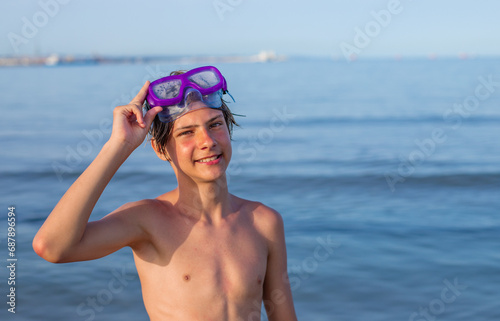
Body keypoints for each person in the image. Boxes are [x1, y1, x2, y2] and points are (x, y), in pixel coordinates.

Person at [33, 66, 298, 321]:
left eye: (215, 125)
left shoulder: (264, 222)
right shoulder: (147, 221)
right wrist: (119, 145)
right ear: (160, 150)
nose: (207, 141)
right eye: (187, 133)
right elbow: (52, 247)